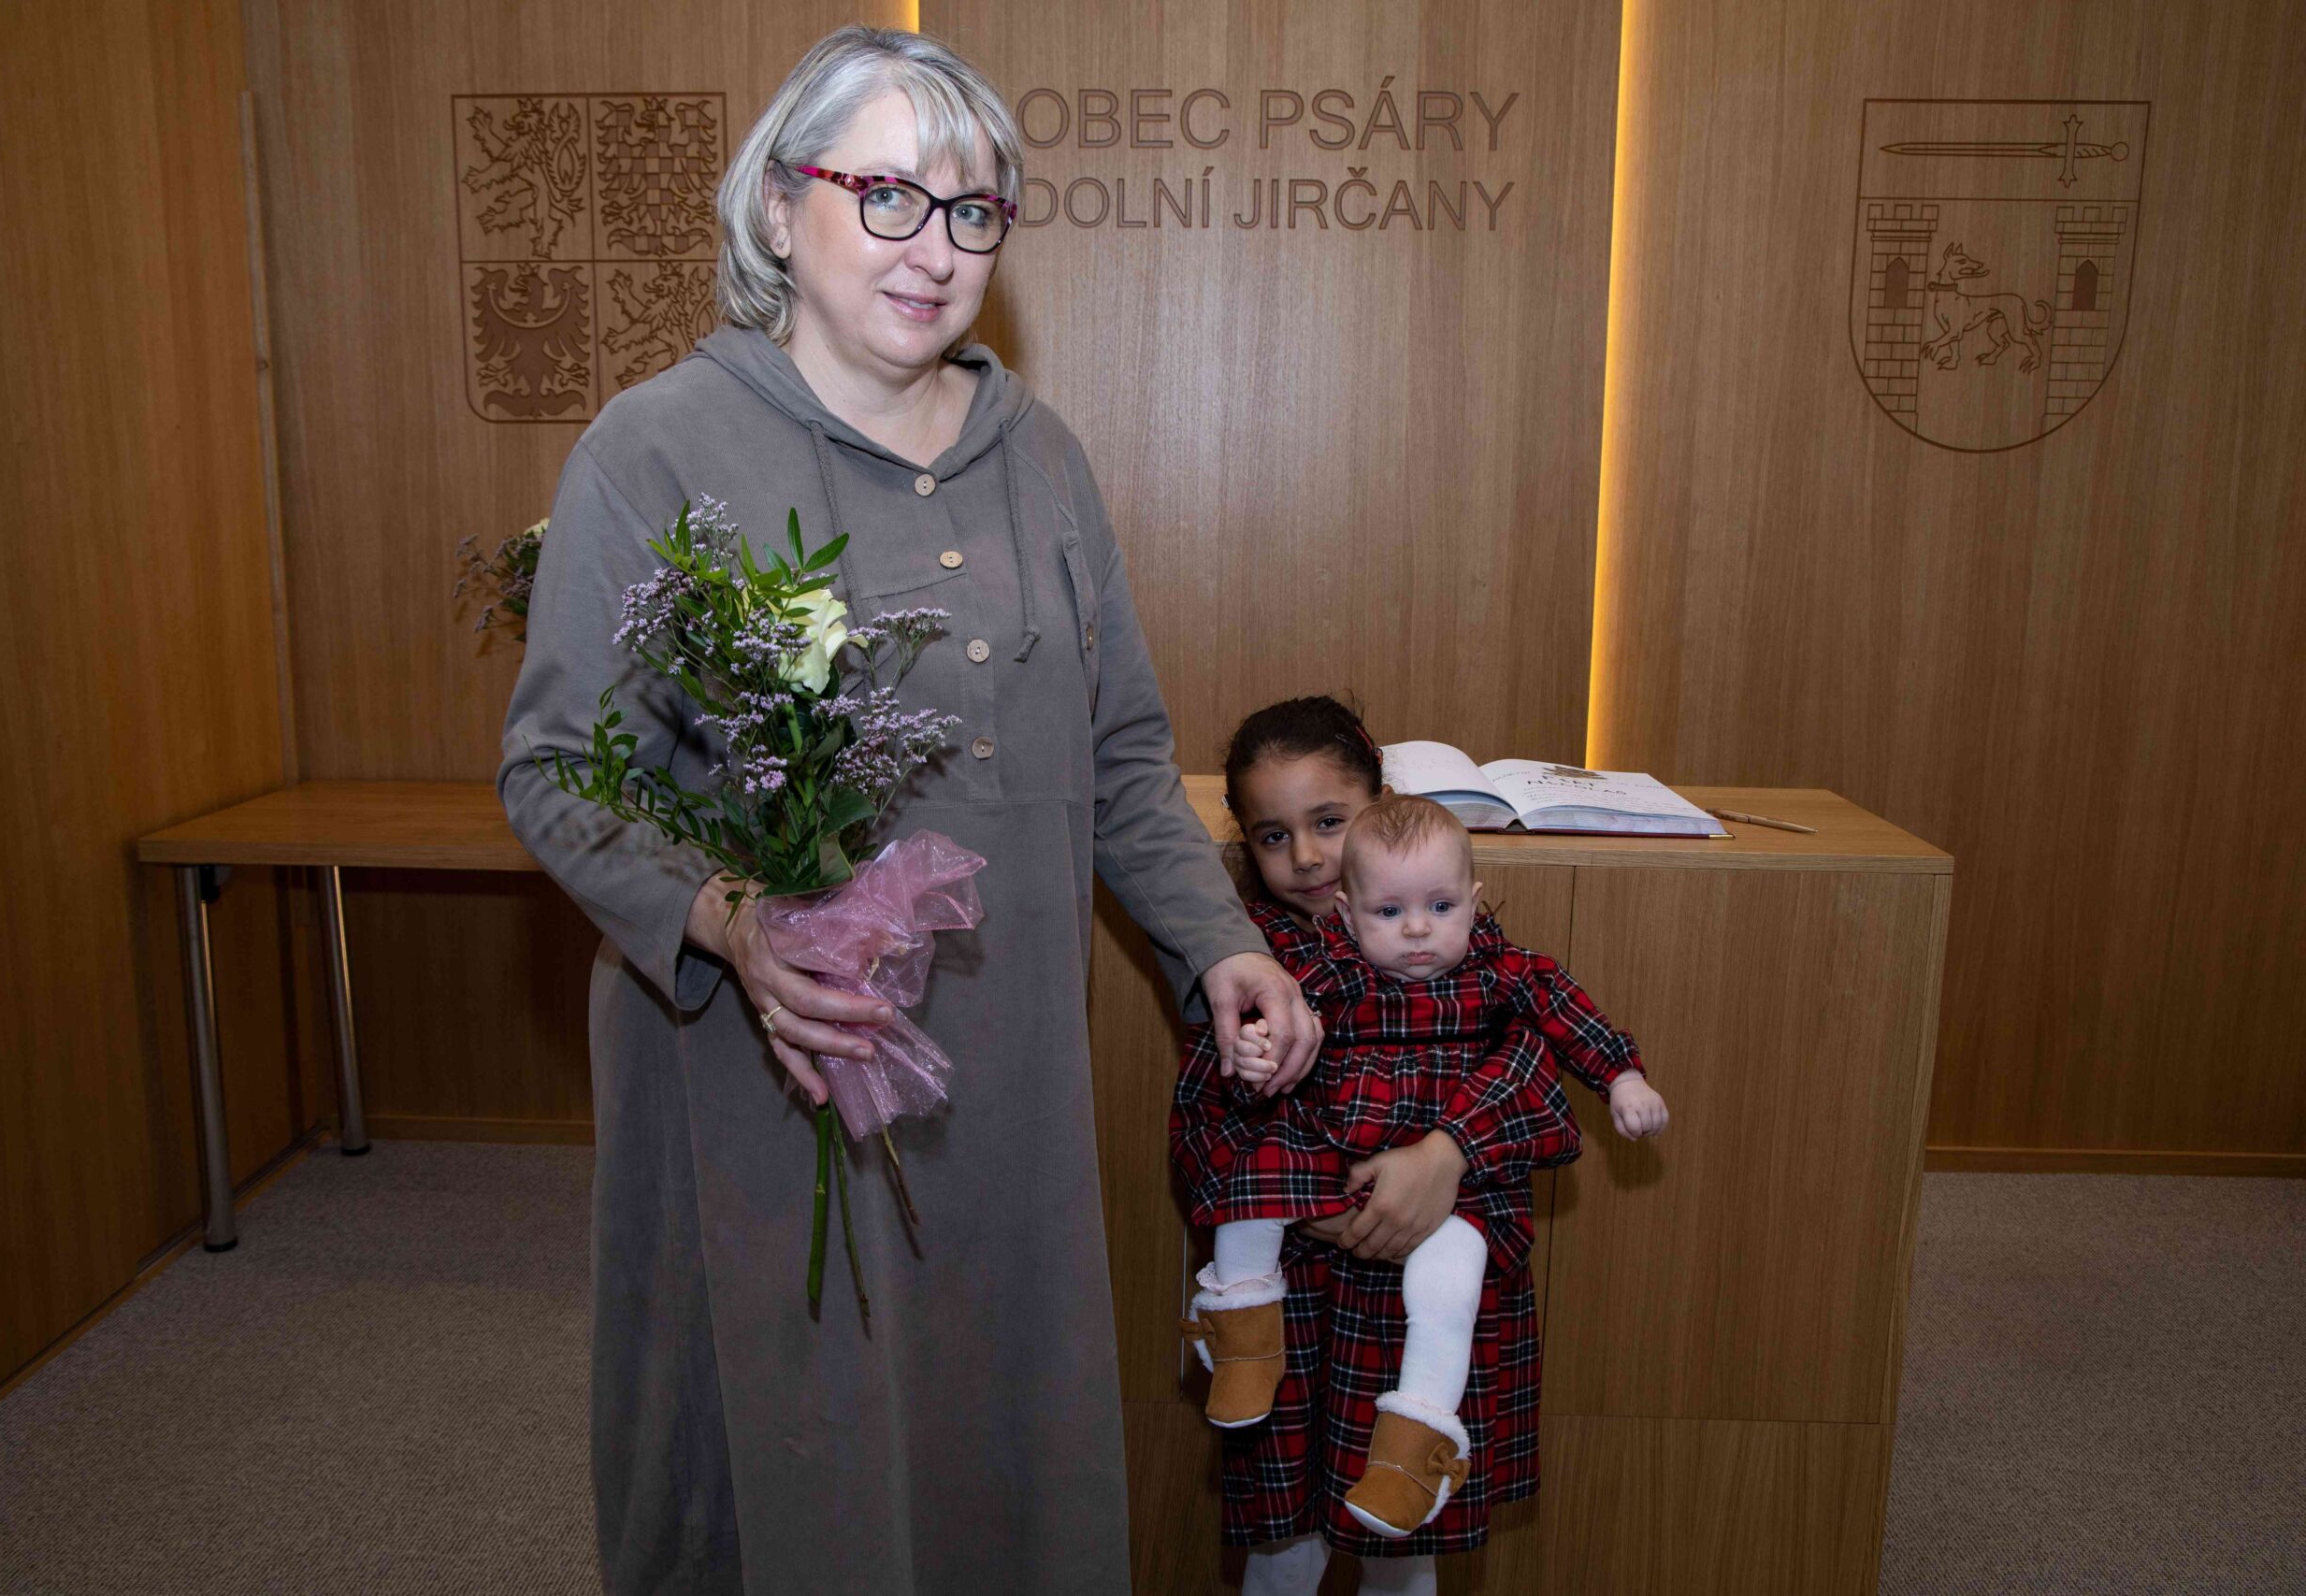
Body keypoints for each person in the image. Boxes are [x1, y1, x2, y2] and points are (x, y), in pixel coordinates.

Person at [497, 27, 1317, 1595]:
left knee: (1003, 1416)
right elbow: (555, 768)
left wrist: (1219, 943)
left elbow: (1122, 752)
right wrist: (732, 918)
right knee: (798, 1433)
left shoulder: (1043, 458)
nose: (933, 248)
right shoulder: (655, 446)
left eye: (972, 210)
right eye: (886, 195)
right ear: (778, 206)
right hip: (771, 1059)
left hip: (1011, 1062)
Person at [1170, 699, 1666, 1594]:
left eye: (1331, 821)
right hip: (1300, 1290)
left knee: (1401, 1541)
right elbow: (1208, 1114)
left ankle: (1416, 1446)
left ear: (1384, 804)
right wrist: (1308, 1199)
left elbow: (1532, 1063)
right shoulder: (1245, 957)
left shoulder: (1461, 947)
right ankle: (1239, 1334)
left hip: (1420, 1286)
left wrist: (1446, 1152)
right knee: (1284, 1539)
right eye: (1275, 835)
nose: (1308, 856)